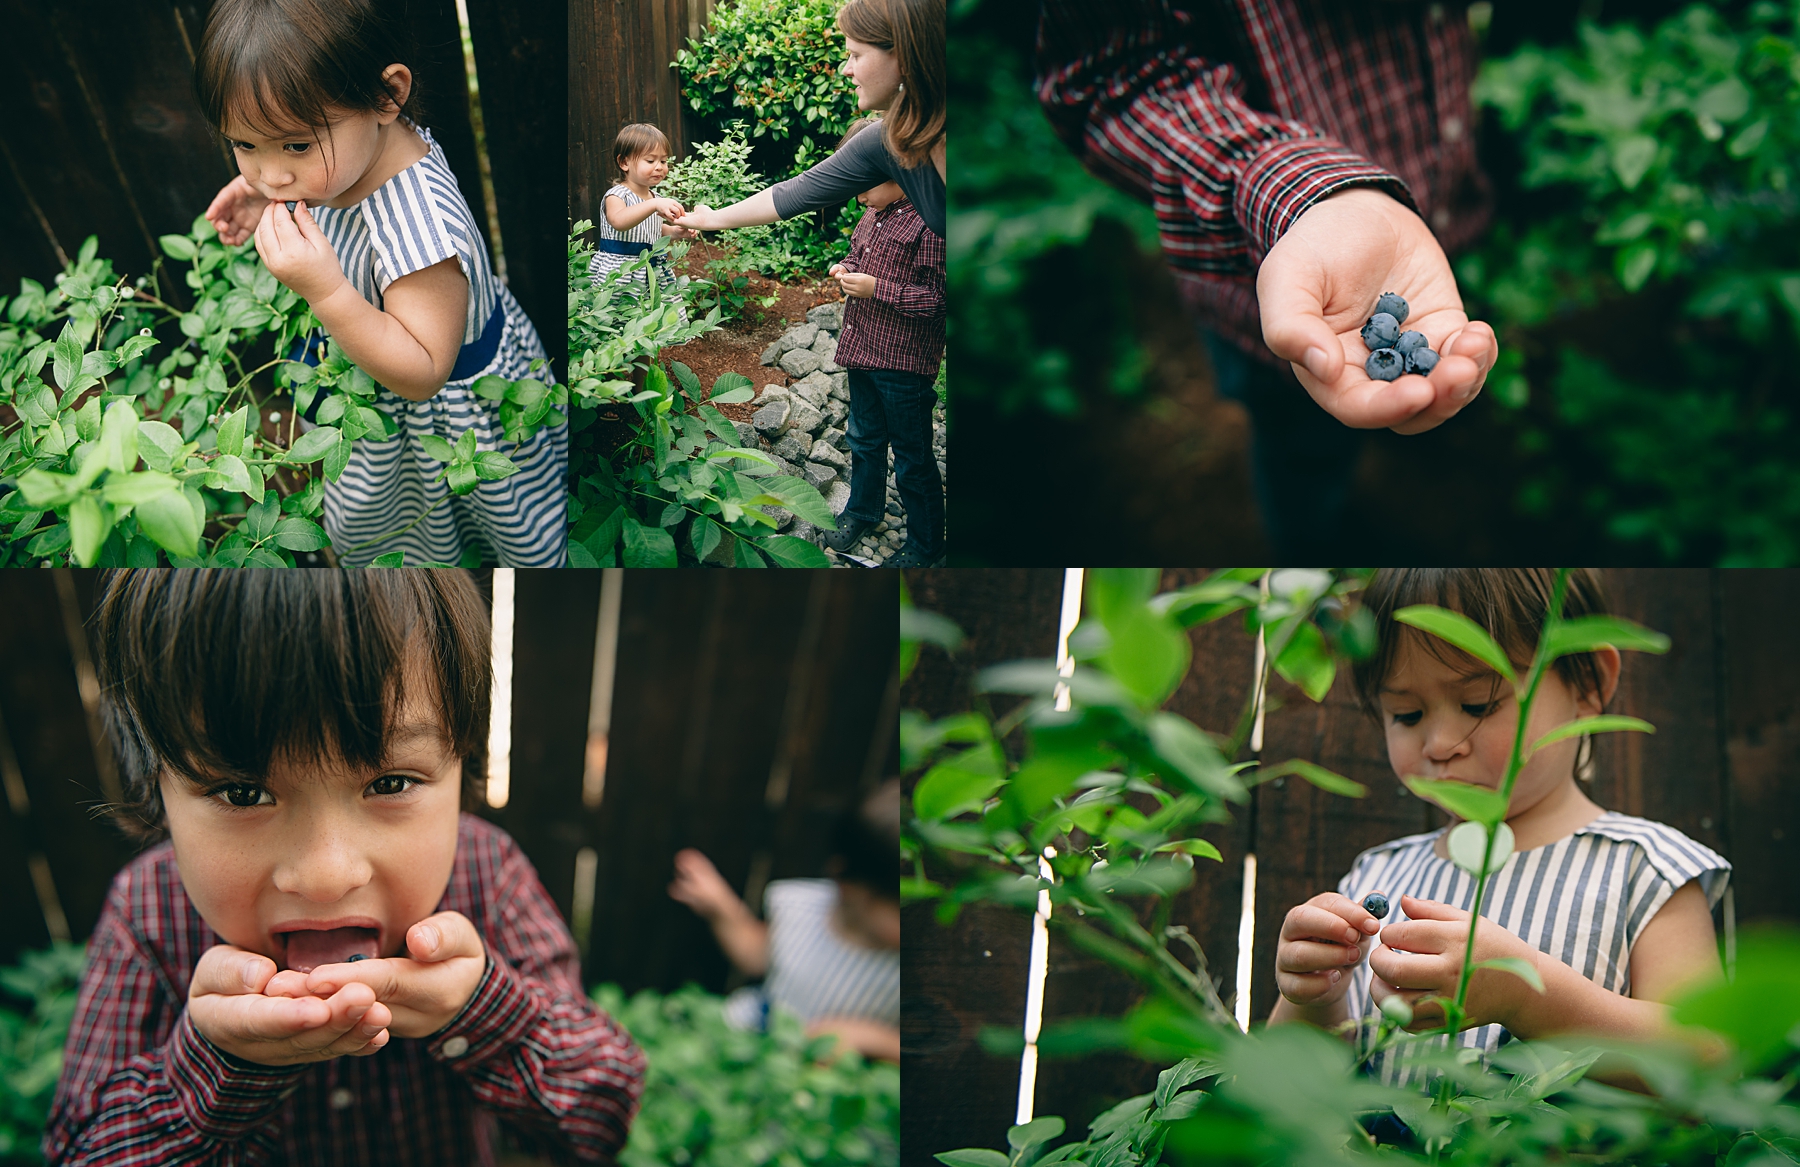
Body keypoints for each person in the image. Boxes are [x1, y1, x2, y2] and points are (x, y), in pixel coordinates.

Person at [44, 571, 643, 1165]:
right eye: (244, 793)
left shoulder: (488, 874)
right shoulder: (146, 913)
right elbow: (81, 1150)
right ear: (156, 788)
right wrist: (215, 1069)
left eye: (390, 782)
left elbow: (600, 1117)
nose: (327, 875)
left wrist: (482, 1011)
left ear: (464, 766)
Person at [1270, 570, 1729, 1136]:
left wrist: (1525, 994)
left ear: (1589, 684)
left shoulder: (1648, 868)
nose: (1439, 744)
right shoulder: (1376, 874)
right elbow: (1286, 1091)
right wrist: (1312, 1001)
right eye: (1407, 715)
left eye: (1478, 702)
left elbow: (1710, 1066)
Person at [1036, 3, 1503, 558]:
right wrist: (1297, 189)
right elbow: (1111, 78)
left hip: (1431, 232)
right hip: (1257, 293)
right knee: (1301, 448)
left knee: (1414, 401)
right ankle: (1308, 545)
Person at [197, 0, 566, 568]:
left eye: (294, 145)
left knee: (445, 536)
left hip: (444, 411)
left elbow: (422, 373)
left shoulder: (421, 230)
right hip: (383, 374)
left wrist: (326, 293)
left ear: (387, 95)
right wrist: (256, 191)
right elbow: (294, 164)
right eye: (245, 145)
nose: (272, 175)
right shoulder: (357, 148)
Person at [671, 0, 945, 243]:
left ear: (905, 55)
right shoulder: (886, 140)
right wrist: (712, 219)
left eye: (856, 55)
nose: (846, 69)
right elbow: (795, 193)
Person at [666, 780, 901, 1062]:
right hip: (760, 1040)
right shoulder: (801, 910)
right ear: (851, 887)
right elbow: (759, 956)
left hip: (842, 1080)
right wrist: (721, 908)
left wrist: (871, 1039)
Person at [817, 119, 946, 568]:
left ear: (902, 173)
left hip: (904, 363)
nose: (857, 195)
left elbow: (939, 301)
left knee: (912, 456)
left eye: (864, 184)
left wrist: (878, 289)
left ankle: (927, 545)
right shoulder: (873, 212)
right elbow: (859, 254)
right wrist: (845, 267)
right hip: (863, 348)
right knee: (864, 438)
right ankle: (862, 511)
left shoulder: (932, 224)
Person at [587, 122, 698, 306]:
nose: (659, 167)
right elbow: (619, 221)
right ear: (624, 163)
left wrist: (675, 232)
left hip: (652, 272)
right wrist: (654, 205)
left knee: (655, 319)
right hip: (622, 273)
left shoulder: (656, 198)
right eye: (650, 160)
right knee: (622, 320)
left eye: (663, 161)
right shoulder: (617, 195)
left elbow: (652, 230)